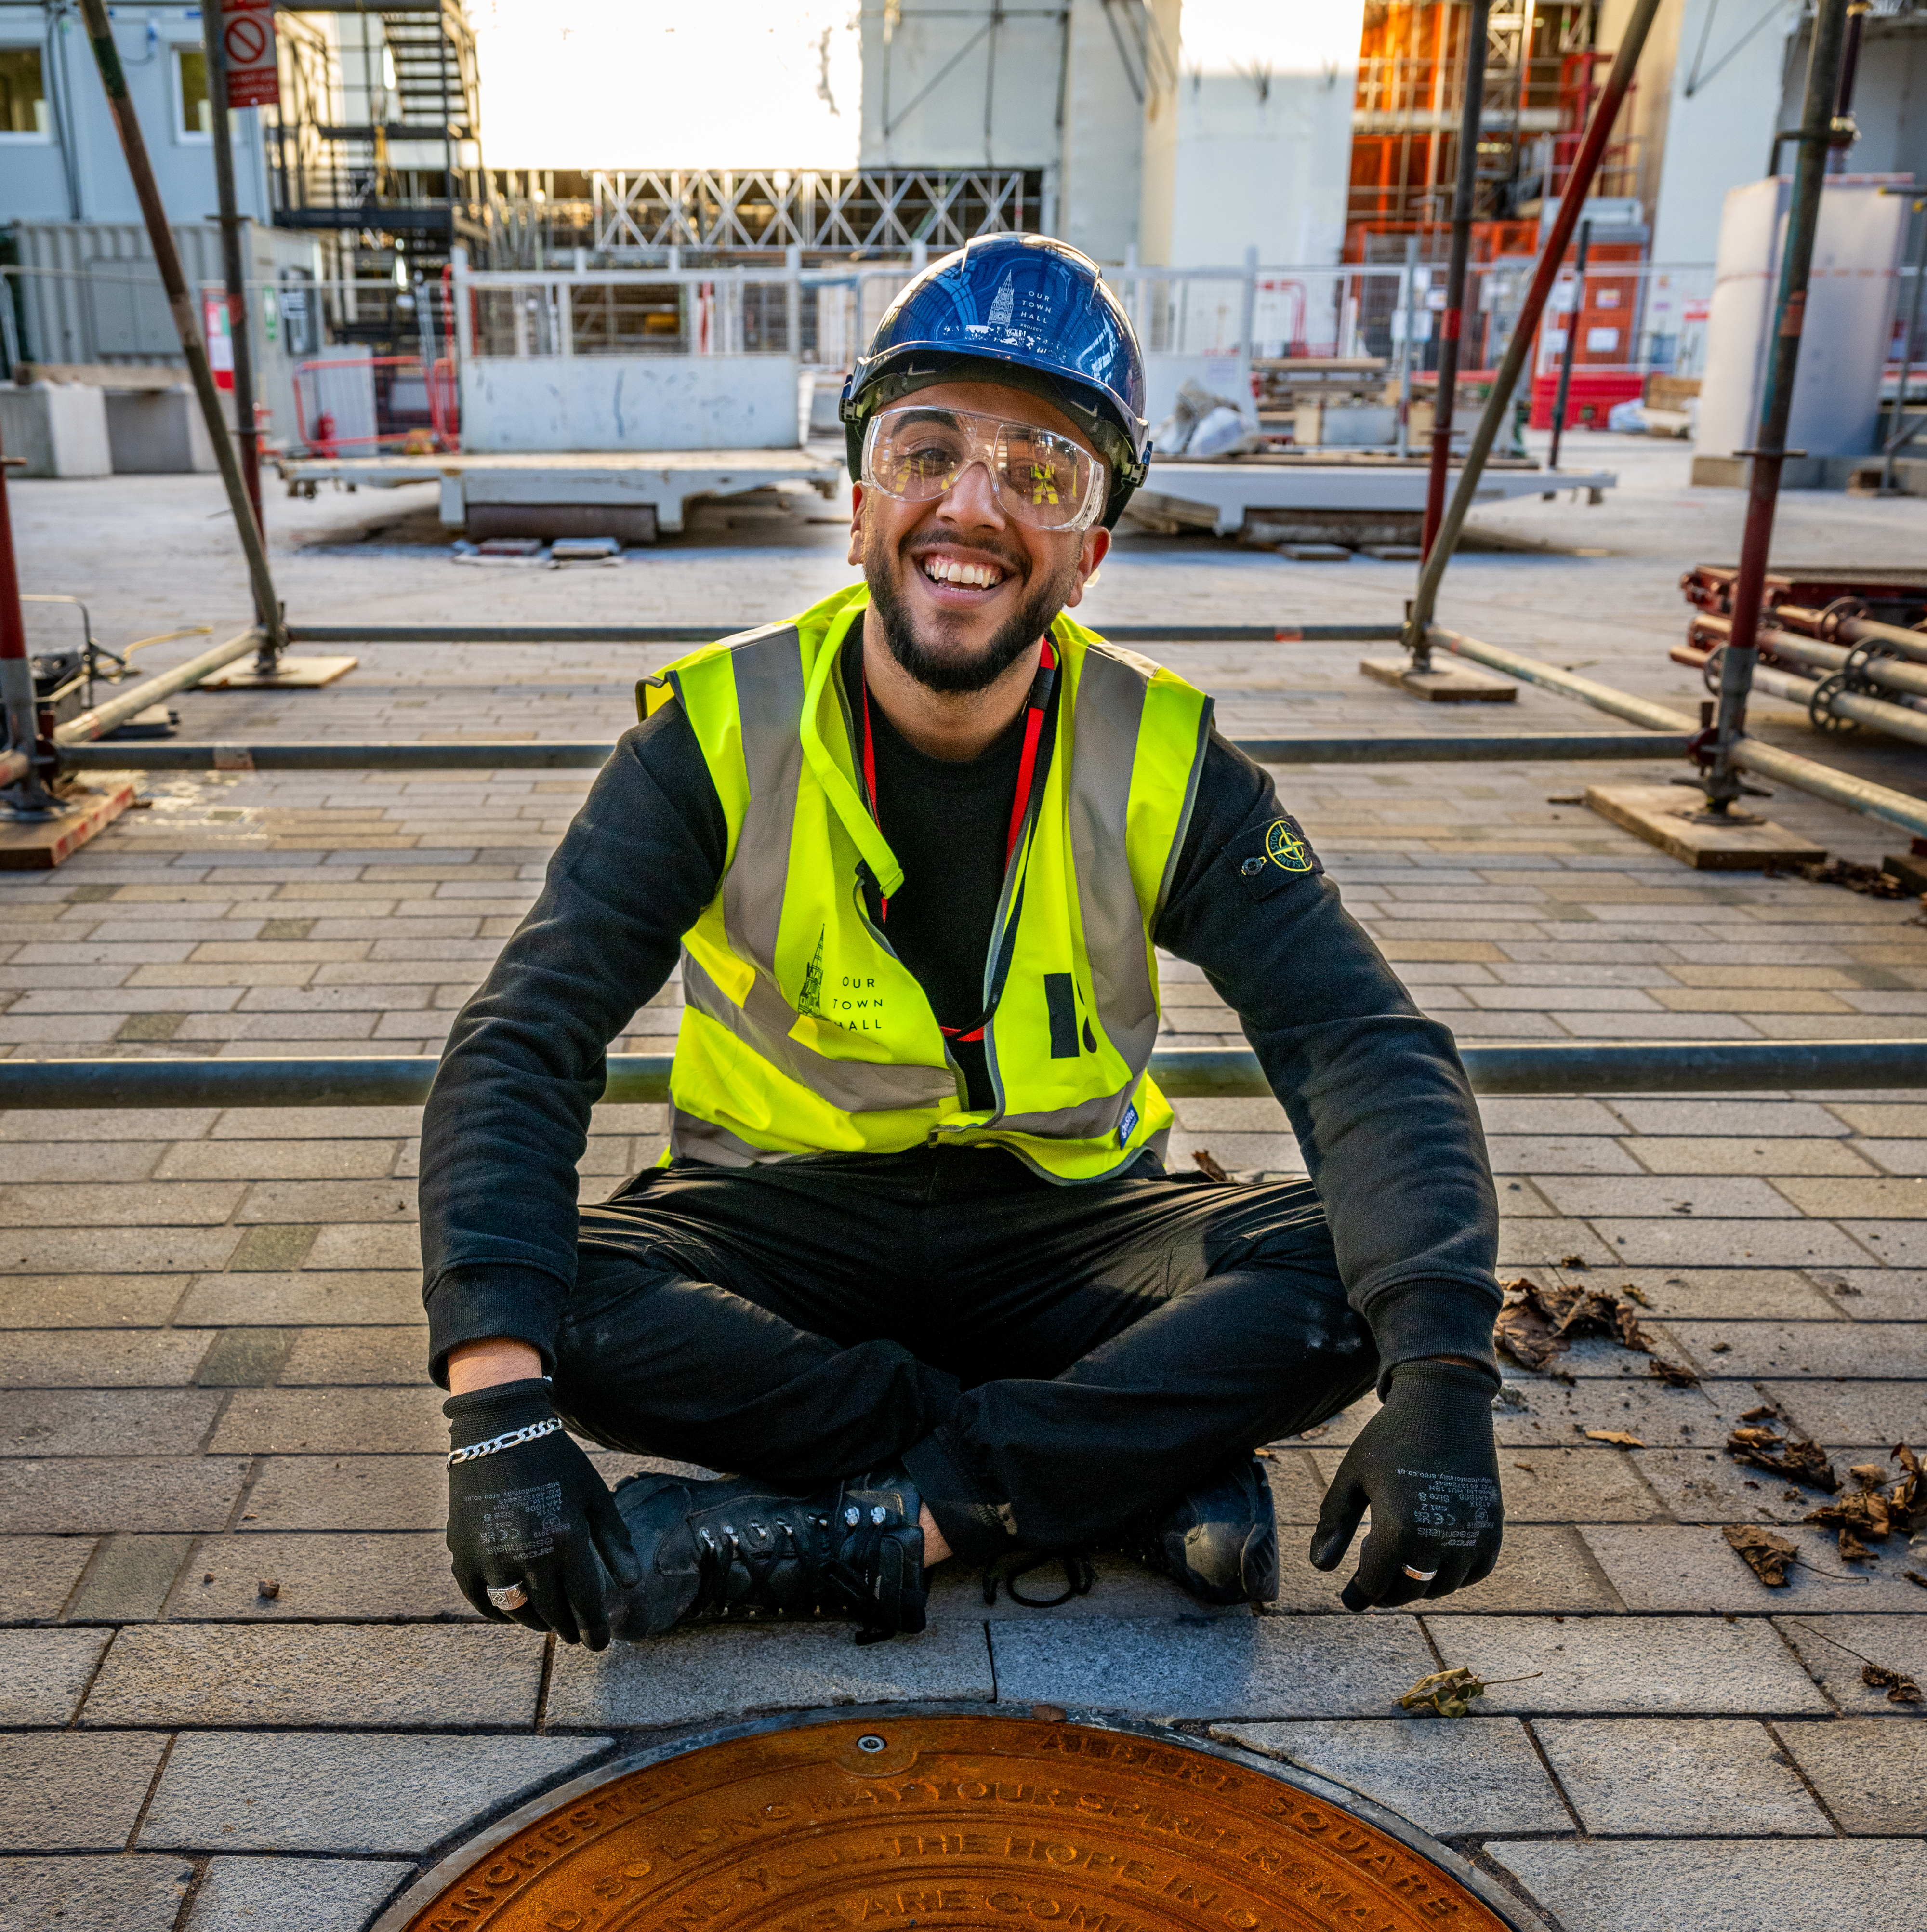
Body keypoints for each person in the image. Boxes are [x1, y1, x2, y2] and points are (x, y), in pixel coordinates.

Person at [421, 234, 1504, 1652]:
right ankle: (1096, 1482)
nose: (974, 505)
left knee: (1346, 1286)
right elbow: (526, 1040)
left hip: (1065, 1227)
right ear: (859, 502)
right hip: (780, 1222)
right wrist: (497, 1410)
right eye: (927, 448)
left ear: (1090, 549)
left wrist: (1443, 1370)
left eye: (1042, 471)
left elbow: (1360, 1047)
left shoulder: (1166, 761)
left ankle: (871, 1525)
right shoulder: (710, 738)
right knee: (548, 1300)